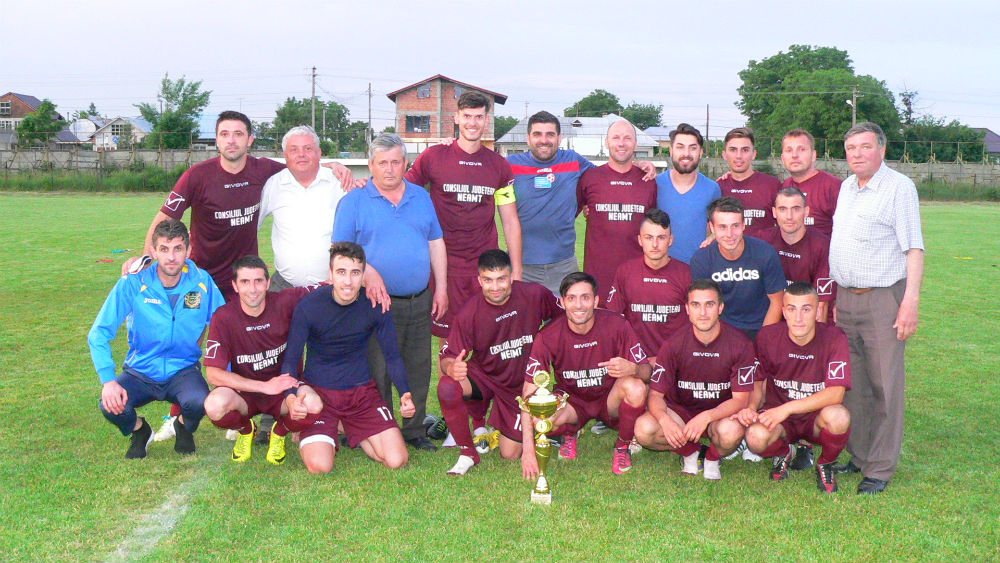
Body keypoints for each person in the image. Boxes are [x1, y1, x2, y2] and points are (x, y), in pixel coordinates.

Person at [123, 111, 352, 441]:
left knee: (254, 344)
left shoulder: (264, 171)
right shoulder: (197, 176)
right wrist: (148, 259)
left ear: (250, 140)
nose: (231, 140)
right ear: (216, 139)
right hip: (201, 278)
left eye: (238, 134)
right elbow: (165, 218)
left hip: (244, 281)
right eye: (224, 134)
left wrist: (334, 166)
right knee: (189, 345)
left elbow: (302, 163)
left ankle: (246, 411)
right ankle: (176, 417)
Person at [333, 133, 447, 451]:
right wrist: (368, 272)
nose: (389, 169)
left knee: (418, 367)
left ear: (405, 164)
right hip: (373, 303)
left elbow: (435, 242)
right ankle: (381, 427)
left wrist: (441, 288)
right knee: (378, 369)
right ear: (370, 165)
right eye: (382, 163)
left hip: (418, 299)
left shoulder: (421, 197)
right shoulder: (353, 202)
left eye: (396, 162)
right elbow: (340, 251)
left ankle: (414, 430)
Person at [829, 122, 924, 494]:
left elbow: (913, 248)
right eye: (851, 148)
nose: (857, 154)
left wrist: (909, 303)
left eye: (865, 147)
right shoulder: (846, 188)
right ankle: (860, 454)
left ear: (881, 150)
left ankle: (880, 468)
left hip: (883, 298)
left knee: (885, 383)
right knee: (854, 385)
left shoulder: (899, 188)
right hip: (846, 298)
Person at [88, 219, 224, 458]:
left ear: (188, 250)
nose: (171, 257)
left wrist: (227, 375)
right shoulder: (133, 282)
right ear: (153, 251)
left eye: (178, 248)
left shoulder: (202, 282)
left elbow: (225, 327)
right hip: (140, 370)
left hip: (183, 369)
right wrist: (108, 381)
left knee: (199, 401)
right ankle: (140, 430)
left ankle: (182, 426)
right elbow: (99, 333)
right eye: (164, 249)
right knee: (110, 404)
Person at [281, 242, 415, 473]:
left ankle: (349, 426)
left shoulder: (375, 304)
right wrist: (291, 398)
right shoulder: (309, 306)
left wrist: (405, 393)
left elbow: (392, 356)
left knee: (397, 460)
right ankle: (330, 425)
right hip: (321, 393)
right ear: (330, 274)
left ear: (363, 276)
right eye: (341, 272)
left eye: (355, 273)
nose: (348, 281)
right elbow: (291, 360)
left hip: (361, 395)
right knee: (320, 466)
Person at [405, 91, 523, 340]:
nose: (473, 123)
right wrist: (366, 184)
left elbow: (510, 220)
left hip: (485, 268)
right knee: (448, 340)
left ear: (486, 120)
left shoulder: (500, 166)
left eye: (478, 117)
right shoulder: (434, 156)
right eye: (467, 116)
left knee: (486, 337)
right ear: (456, 118)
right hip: (444, 266)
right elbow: (401, 190)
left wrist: (517, 268)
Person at [437, 250, 561, 475]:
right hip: (485, 376)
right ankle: (468, 452)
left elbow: (562, 317)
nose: (495, 287)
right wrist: (451, 367)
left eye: (501, 279)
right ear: (479, 280)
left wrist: (546, 340)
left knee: (510, 453)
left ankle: (517, 423)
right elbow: (447, 355)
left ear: (511, 276)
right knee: (448, 386)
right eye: (488, 280)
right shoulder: (469, 312)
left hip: (519, 386)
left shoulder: (534, 294)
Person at [508, 111, 654, 294]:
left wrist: (637, 164)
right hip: (522, 266)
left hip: (563, 266)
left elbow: (609, 174)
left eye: (550, 134)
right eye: (537, 134)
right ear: (528, 138)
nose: (544, 140)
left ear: (559, 138)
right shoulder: (509, 165)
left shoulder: (573, 161)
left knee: (571, 311)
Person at [521, 272, 650, 476]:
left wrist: (633, 369)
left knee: (636, 387)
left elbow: (647, 371)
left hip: (609, 399)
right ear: (562, 302)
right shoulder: (548, 335)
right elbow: (528, 392)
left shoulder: (618, 325)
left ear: (596, 301)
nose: (579, 305)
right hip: (572, 402)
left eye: (585, 297)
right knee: (539, 419)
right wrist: (528, 450)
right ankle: (570, 432)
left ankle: (622, 446)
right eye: (572, 298)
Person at [202, 255, 323, 465]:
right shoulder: (224, 317)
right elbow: (213, 374)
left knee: (313, 405)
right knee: (214, 405)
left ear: (268, 283)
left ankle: (279, 431)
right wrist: (264, 386)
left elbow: (326, 287)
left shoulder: (285, 301)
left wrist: (367, 277)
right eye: (245, 282)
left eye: (258, 281)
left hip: (284, 391)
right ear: (235, 286)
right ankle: (246, 429)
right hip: (245, 394)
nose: (253, 289)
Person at [633, 279, 756, 480]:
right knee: (644, 429)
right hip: (681, 412)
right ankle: (691, 452)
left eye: (710, 304)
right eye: (696, 305)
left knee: (732, 431)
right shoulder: (673, 344)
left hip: (719, 414)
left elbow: (740, 400)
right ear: (687, 309)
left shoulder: (740, 344)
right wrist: (665, 420)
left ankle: (712, 458)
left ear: (720, 308)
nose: (703, 312)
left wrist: (707, 416)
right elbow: (655, 395)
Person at [736, 282, 852, 494]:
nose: (798, 318)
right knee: (755, 437)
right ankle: (784, 453)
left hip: (815, 418)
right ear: (783, 312)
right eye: (792, 309)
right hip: (780, 420)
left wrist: (787, 408)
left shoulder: (834, 337)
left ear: (818, 311)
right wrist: (751, 407)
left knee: (839, 416)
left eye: (806, 309)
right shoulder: (768, 336)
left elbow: (837, 393)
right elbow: (757, 381)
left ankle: (825, 463)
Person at [258, 125, 347, 290]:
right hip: (284, 286)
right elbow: (251, 227)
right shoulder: (273, 185)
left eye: (308, 148)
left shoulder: (340, 184)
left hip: (332, 288)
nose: (301, 154)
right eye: (294, 150)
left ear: (319, 153)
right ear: (285, 155)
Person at [576, 120, 658, 294]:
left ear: (635, 144)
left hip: (636, 278)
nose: (621, 143)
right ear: (607, 142)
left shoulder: (648, 181)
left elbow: (654, 228)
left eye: (627, 138)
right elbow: (570, 214)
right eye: (616, 137)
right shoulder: (590, 178)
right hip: (597, 280)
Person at [689, 197, 786, 339]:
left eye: (735, 226)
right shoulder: (702, 260)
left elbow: (776, 301)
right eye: (722, 227)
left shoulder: (765, 253)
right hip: (723, 333)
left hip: (761, 328)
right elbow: (705, 307)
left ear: (744, 225)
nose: (729, 234)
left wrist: (763, 340)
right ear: (712, 227)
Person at [605, 208, 692, 363]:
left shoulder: (686, 274)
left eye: (661, 237)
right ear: (640, 240)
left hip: (675, 360)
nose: (655, 244)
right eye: (649, 237)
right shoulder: (625, 272)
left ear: (670, 240)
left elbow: (697, 323)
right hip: (635, 361)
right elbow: (613, 318)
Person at [758, 186, 835, 323]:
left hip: (806, 320)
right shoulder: (763, 240)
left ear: (806, 212)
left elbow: (821, 305)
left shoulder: (822, 245)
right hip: (772, 317)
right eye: (783, 209)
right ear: (774, 212)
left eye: (796, 209)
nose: (789, 216)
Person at [655, 123, 721, 264]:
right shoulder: (655, 185)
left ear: (700, 152)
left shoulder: (712, 189)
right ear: (671, 151)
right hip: (660, 270)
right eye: (680, 147)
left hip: (697, 269)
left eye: (693, 148)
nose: (686, 153)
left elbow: (717, 228)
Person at [717, 127, 781, 237]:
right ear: (724, 155)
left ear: (754, 154)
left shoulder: (772, 185)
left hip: (764, 248)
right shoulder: (717, 187)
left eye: (745, 150)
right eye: (733, 150)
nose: (739, 156)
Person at [780, 128, 841, 236]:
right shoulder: (783, 188)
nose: (794, 155)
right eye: (789, 150)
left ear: (813, 155)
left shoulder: (834, 187)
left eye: (801, 149)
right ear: (782, 158)